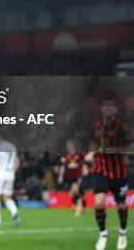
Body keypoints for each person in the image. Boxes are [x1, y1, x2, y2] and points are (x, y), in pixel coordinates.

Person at [87, 97, 130, 250]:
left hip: (119, 172)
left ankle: (123, 233)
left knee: (121, 206)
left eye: (111, 106)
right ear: (101, 109)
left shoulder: (122, 128)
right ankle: (103, 234)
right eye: (105, 105)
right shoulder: (96, 127)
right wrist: (91, 153)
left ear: (116, 109)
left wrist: (111, 150)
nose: (107, 108)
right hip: (100, 170)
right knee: (98, 203)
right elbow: (93, 144)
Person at [0, 132, 21, 228]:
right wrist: (12, 172)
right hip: (10, 174)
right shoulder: (13, 147)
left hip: (0, 174)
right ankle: (15, 213)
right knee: (7, 197)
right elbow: (17, 163)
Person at [57, 140, 86, 216]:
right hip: (69, 177)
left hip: (78, 176)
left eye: (70, 145)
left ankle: (77, 208)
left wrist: (84, 171)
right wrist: (60, 176)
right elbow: (63, 166)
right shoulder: (65, 156)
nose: (69, 147)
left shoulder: (79, 154)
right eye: (68, 146)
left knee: (75, 190)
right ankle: (82, 207)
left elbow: (83, 164)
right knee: (74, 194)